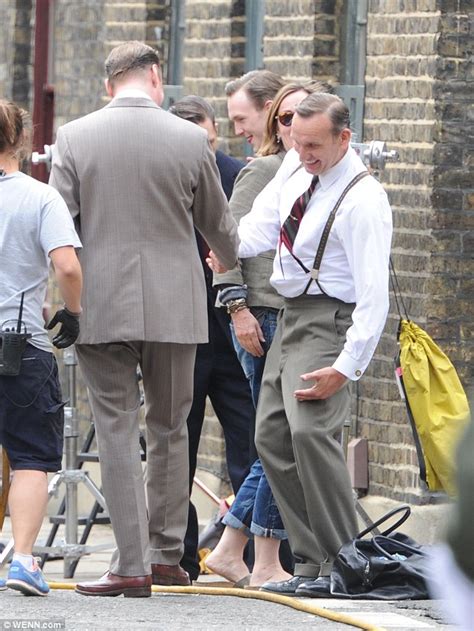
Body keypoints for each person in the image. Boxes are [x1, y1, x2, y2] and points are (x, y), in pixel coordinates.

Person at [49, 41, 239, 598]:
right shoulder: (188, 138)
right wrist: (228, 261)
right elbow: (219, 224)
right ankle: (164, 556)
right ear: (156, 77)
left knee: (114, 426)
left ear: (109, 85)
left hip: (101, 303)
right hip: (176, 303)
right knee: (170, 427)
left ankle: (128, 563)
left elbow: (58, 227)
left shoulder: (74, 137)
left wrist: (60, 301)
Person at [208, 92, 393, 596]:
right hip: (289, 318)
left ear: (344, 138)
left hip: (331, 320)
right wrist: (222, 246)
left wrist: (347, 365)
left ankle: (345, 560)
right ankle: (311, 563)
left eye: (314, 145)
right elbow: (259, 228)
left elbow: (375, 297)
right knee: (270, 437)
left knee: (311, 433)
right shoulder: (294, 166)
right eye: (296, 140)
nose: (304, 152)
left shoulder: (362, 198)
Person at [207, 81, 327, 589]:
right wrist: (237, 309)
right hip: (263, 316)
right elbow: (227, 243)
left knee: (273, 442)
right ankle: (261, 560)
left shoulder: (318, 174)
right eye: (284, 117)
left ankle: (233, 550)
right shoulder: (265, 169)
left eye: (303, 116)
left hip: (296, 316)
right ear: (276, 122)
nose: (292, 127)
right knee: (276, 442)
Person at [169, 95, 254, 582]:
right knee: (177, 443)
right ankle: (180, 554)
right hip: (181, 332)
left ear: (215, 131)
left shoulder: (239, 175)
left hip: (232, 332)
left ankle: (247, 548)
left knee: (249, 444)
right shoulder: (165, 177)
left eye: (204, 138)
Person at [0, 100, 82, 596]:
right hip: (18, 343)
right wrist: (72, 312)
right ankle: (24, 561)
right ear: (20, 139)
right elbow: (68, 267)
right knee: (31, 455)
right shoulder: (39, 197)